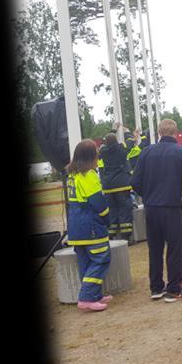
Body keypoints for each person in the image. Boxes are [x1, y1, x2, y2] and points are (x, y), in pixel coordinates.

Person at [131, 119, 182, 303]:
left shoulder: (146, 152)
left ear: (159, 133)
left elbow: (134, 182)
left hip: (151, 208)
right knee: (175, 248)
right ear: (175, 133)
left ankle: (156, 288)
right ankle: (173, 289)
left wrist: (147, 195)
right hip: (171, 207)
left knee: (154, 249)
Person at [66, 139, 113, 312]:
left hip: (76, 226)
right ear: (91, 156)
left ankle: (93, 295)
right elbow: (97, 201)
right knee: (101, 258)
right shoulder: (88, 174)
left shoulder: (72, 174)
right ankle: (86, 297)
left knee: (85, 261)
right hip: (90, 225)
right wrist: (107, 218)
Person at [98, 132, 134, 242]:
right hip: (121, 184)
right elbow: (130, 142)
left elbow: (103, 146)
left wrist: (113, 130)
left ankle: (112, 234)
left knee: (112, 209)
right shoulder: (121, 149)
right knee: (125, 208)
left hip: (108, 186)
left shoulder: (103, 151)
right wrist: (127, 132)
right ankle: (126, 236)